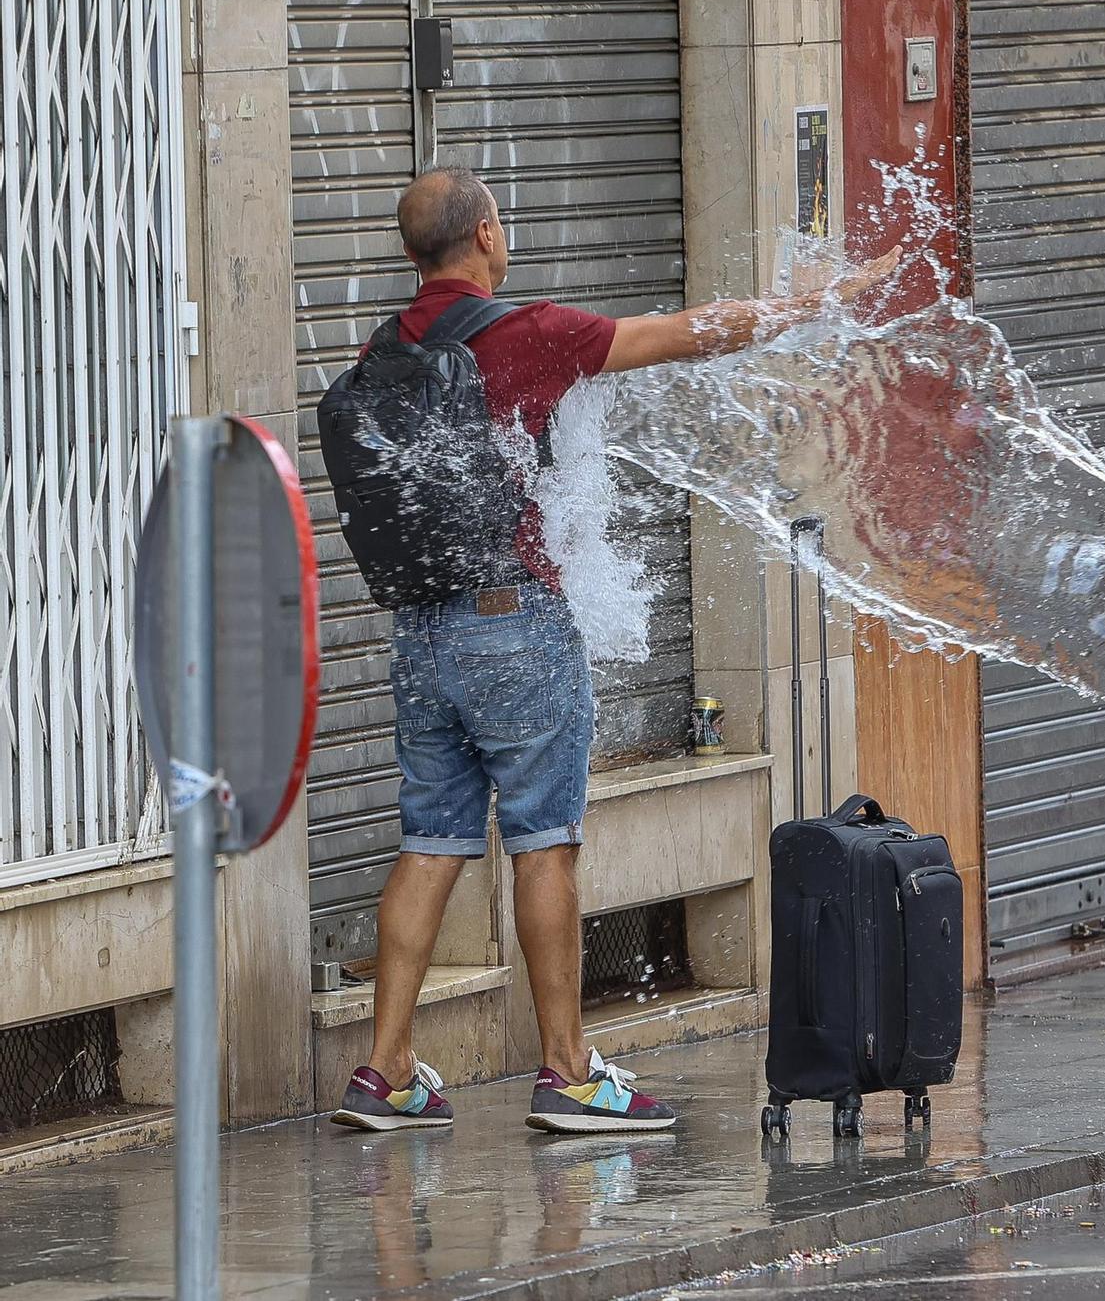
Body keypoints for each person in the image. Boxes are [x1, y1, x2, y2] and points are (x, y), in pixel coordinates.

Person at [331, 165, 897, 1133]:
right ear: (485, 235)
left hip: (420, 635)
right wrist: (812, 306)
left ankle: (384, 1072)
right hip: (513, 624)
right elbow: (685, 333)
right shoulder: (526, 333)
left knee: (431, 844)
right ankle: (568, 1072)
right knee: (544, 844)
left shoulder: (382, 354)